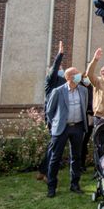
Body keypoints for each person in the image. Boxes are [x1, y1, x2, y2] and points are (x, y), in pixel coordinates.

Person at [45, 65, 88, 197]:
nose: (78, 75)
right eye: (75, 74)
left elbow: (84, 107)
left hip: (78, 127)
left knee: (76, 157)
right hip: (62, 128)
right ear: (69, 77)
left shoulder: (83, 90)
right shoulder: (58, 91)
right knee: (55, 157)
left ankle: (75, 184)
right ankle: (51, 187)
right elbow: (50, 111)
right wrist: (56, 125)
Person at [37, 41, 66, 181]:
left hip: (61, 116)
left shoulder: (61, 81)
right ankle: (47, 173)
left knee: (53, 145)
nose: (61, 69)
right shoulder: (50, 80)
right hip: (53, 117)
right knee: (54, 145)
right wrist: (60, 55)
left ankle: (43, 170)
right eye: (60, 67)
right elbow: (54, 69)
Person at [85, 48, 104, 124]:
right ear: (103, 72)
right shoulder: (99, 81)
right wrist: (95, 60)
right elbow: (89, 73)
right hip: (100, 117)